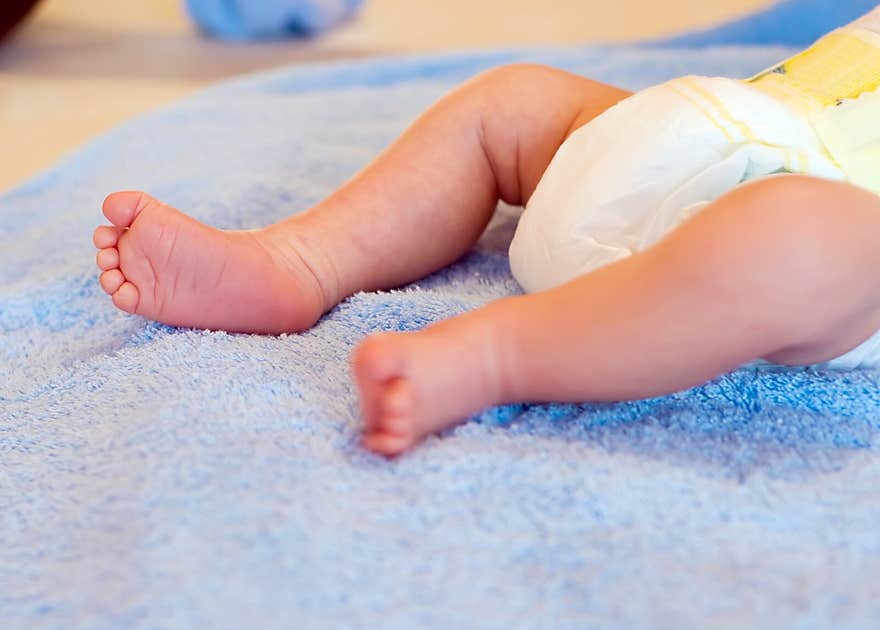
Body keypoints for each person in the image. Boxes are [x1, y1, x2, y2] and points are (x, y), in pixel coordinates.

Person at [93, 6, 880, 456]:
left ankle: (498, 355)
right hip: (709, 131)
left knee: (791, 236)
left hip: (834, 232)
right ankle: (298, 258)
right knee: (512, 102)